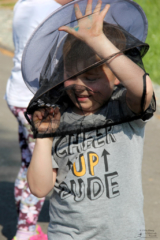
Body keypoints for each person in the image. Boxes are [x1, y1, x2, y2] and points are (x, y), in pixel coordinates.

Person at [25, 0, 155, 239]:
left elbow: (145, 88)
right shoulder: (58, 116)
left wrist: (98, 41)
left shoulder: (123, 108)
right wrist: (44, 137)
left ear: (116, 77)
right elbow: (39, 188)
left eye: (92, 77)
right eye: (70, 76)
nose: (80, 86)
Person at [5, 1, 73, 240]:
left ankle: (28, 227)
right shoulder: (55, 10)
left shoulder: (24, 3)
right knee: (40, 166)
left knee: (27, 164)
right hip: (38, 102)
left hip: (17, 94)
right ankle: (26, 232)